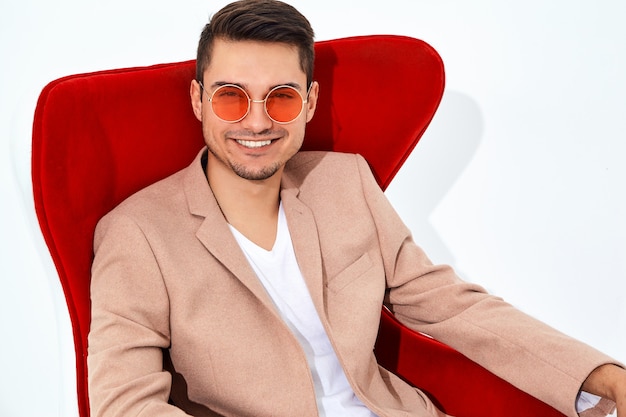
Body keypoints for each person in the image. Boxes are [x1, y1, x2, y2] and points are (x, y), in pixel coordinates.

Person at [87, 1, 626, 416]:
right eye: (231, 96)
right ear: (198, 100)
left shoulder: (346, 183)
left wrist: (602, 375)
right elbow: (125, 403)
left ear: (310, 103)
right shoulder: (137, 233)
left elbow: (452, 305)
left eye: (281, 97)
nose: (256, 122)